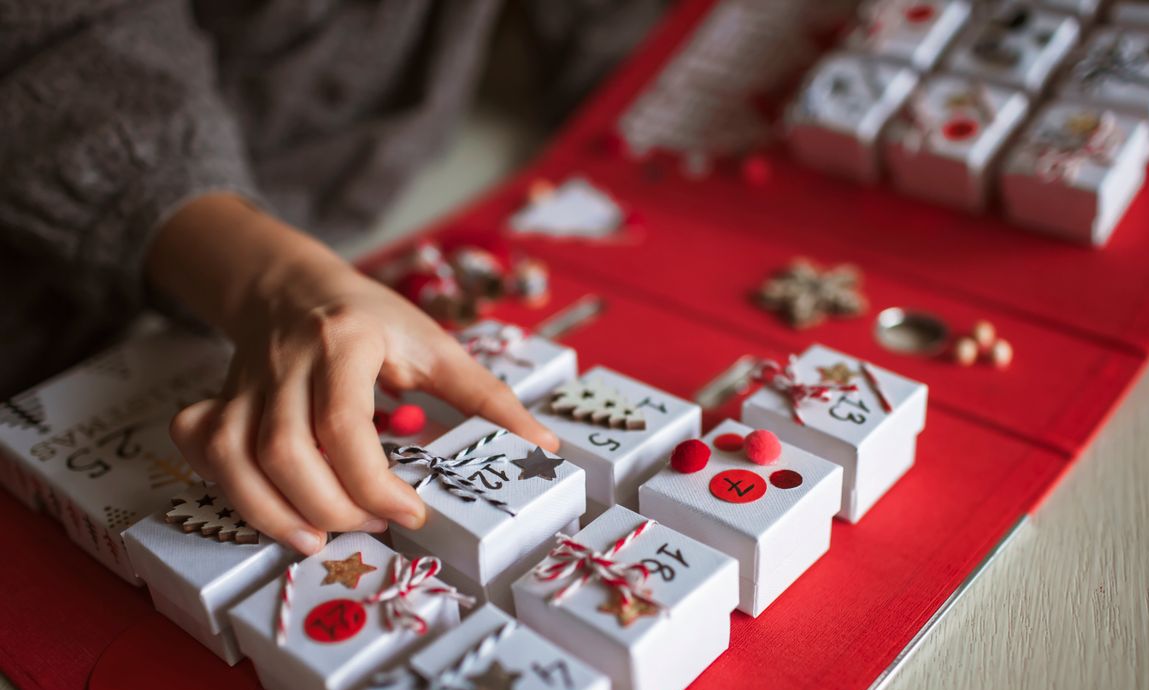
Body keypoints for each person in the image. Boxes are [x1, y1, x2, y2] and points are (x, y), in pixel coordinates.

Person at [0, 0, 668, 554]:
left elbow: (613, 37)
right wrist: (273, 276)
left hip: (355, 218)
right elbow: (45, 36)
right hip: (40, 281)